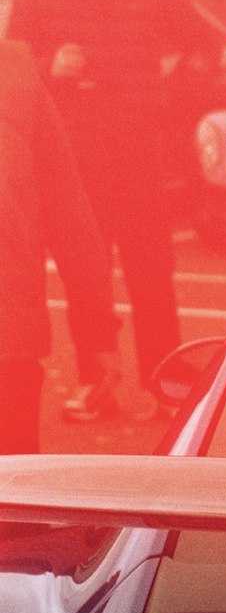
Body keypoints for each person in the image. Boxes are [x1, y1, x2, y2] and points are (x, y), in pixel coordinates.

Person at [7, 0, 219, 421]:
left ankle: (166, 385)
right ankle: (95, 383)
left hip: (142, 161)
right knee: (88, 275)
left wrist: (174, 102)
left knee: (153, 276)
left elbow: (207, 44)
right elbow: (14, 69)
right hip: (78, 167)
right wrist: (49, 64)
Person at [0, 38, 117, 452]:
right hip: (10, 341)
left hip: (10, 344)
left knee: (14, 499)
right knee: (13, 502)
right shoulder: (19, 79)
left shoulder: (18, 79)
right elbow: (71, 220)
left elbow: (70, 218)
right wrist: (96, 334)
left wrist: (96, 333)